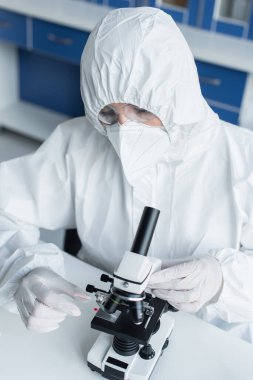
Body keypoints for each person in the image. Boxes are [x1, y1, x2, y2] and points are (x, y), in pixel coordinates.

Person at [0, 7, 253, 342]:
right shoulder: (81, 143)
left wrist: (224, 279)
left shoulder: (243, 160)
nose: (125, 130)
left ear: (178, 97)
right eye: (108, 112)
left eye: (143, 110)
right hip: (98, 319)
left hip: (213, 336)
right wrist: (24, 269)